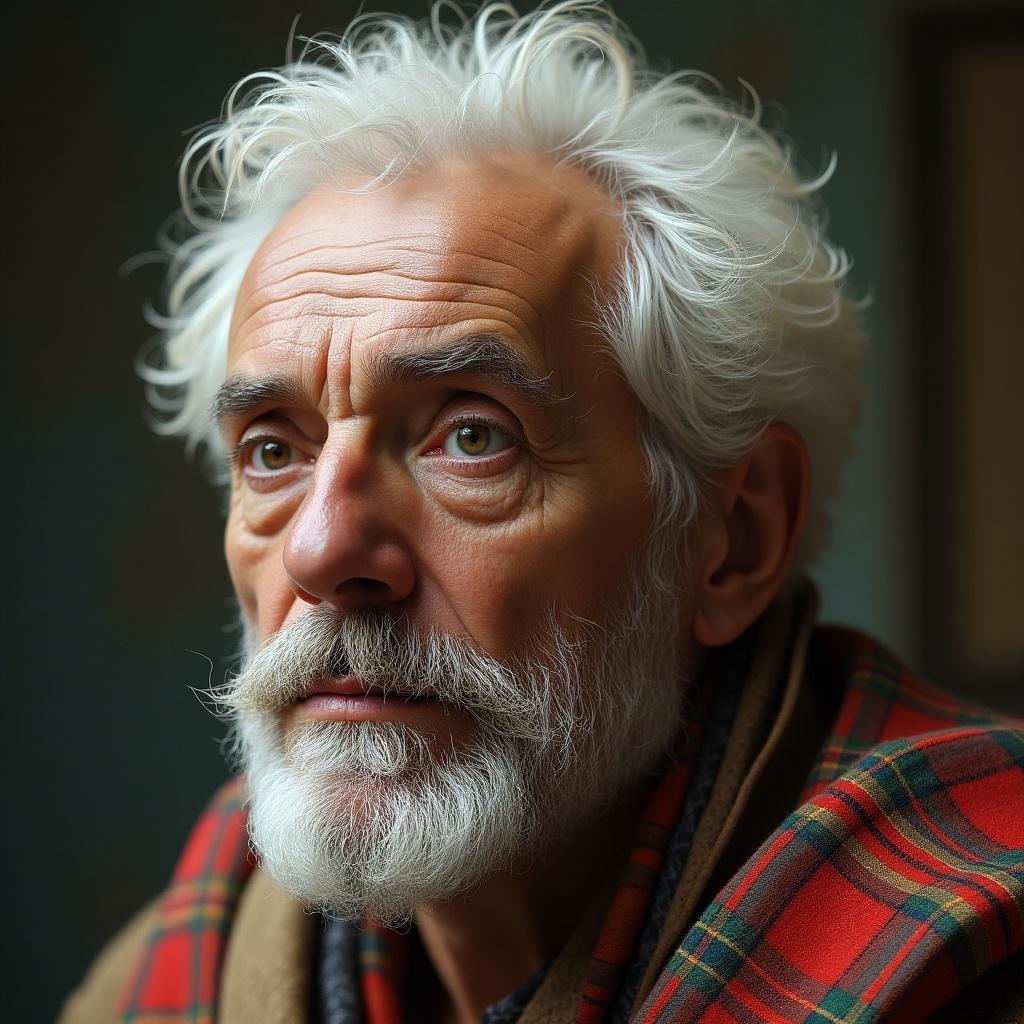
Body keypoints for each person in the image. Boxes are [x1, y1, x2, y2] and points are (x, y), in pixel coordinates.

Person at [61, 3, 1023, 1021]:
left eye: (471, 436)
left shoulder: (976, 955)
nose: (322, 548)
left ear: (730, 539)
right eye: (273, 450)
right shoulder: (162, 982)